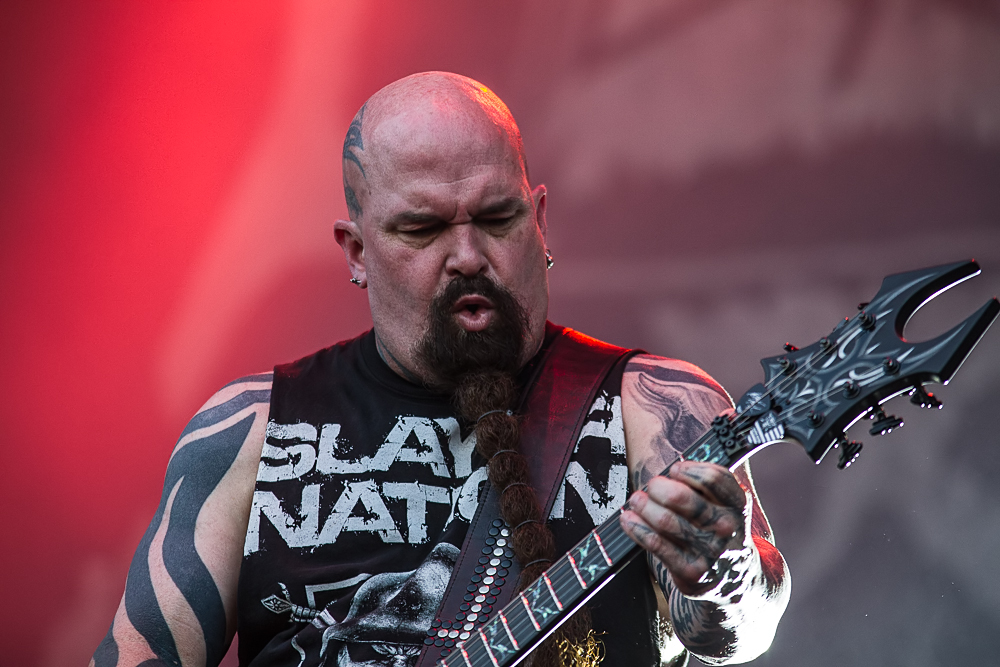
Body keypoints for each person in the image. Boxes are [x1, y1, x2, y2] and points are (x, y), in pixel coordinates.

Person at [91, 72, 789, 667]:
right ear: (357, 252)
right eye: (422, 228)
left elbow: (736, 633)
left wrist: (725, 577)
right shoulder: (252, 429)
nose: (468, 256)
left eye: (497, 217)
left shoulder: (653, 405)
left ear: (541, 221)